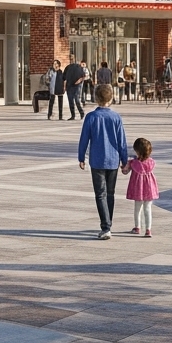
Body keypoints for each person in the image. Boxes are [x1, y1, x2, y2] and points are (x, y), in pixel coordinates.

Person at [78, 84, 127, 239]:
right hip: (113, 160)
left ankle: (106, 226)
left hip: (97, 160)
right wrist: (124, 159)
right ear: (111, 98)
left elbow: (84, 139)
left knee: (100, 194)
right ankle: (108, 224)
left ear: (95, 98)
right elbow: (122, 141)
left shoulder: (91, 117)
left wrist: (81, 157)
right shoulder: (116, 117)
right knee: (110, 194)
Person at [122, 137, 158, 237]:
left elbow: (125, 171)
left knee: (137, 208)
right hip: (149, 189)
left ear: (137, 151)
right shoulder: (151, 162)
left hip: (138, 189)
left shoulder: (133, 163)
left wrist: (124, 166)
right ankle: (148, 229)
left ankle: (137, 227)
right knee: (148, 208)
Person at [62, 55, 86, 121]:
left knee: (77, 100)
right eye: (70, 58)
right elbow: (64, 78)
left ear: (74, 59)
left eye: (72, 58)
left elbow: (83, 76)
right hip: (69, 86)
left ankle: (81, 113)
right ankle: (73, 115)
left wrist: (79, 81)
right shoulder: (67, 67)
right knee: (70, 101)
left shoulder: (78, 67)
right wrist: (64, 87)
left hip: (76, 86)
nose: (71, 59)